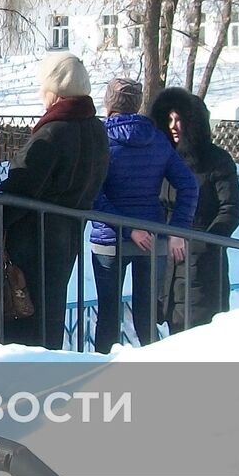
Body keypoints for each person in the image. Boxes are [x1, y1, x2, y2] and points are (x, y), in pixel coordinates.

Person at [0, 52, 108, 351]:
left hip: (34, 244)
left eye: (43, 85)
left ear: (56, 89)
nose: (40, 92)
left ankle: (23, 390)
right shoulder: (95, 128)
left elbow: (20, 189)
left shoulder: (52, 133)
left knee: (24, 320)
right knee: (49, 315)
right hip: (67, 238)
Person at [89, 78, 198, 353]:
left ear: (109, 104)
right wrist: (178, 228)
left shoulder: (99, 139)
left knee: (108, 318)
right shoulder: (157, 138)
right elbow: (188, 185)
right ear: (137, 105)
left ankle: (101, 376)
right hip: (153, 237)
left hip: (110, 239)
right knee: (147, 319)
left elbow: (93, 194)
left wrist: (126, 229)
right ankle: (157, 379)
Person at [151, 87, 239, 332]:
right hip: (168, 260)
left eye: (179, 120)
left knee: (201, 333)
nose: (173, 126)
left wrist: (204, 243)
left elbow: (230, 209)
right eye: (169, 119)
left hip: (203, 263)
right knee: (174, 328)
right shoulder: (165, 159)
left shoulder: (216, 160)